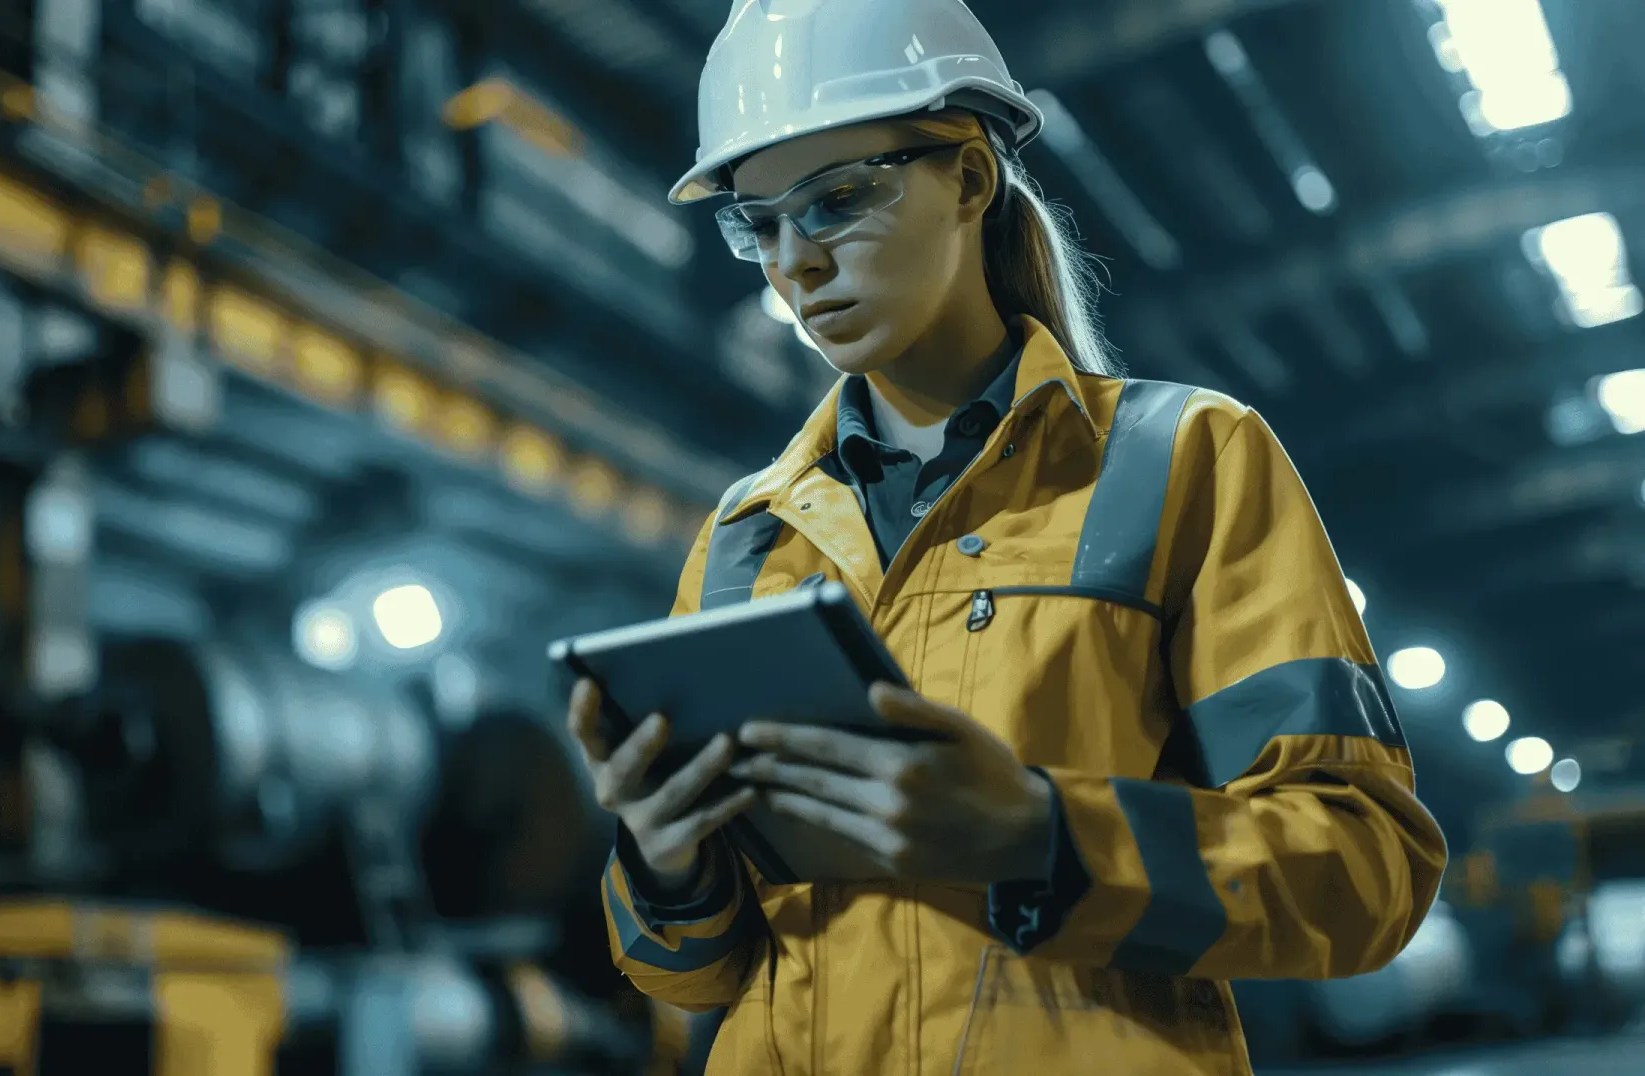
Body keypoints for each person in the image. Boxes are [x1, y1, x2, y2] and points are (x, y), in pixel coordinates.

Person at [563, 2, 1448, 1072]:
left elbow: (1363, 870)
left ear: (971, 180)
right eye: (759, 224)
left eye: (837, 200)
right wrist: (665, 859)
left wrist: (1039, 833)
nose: (794, 263)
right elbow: (690, 970)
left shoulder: (1187, 461)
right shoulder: (750, 532)